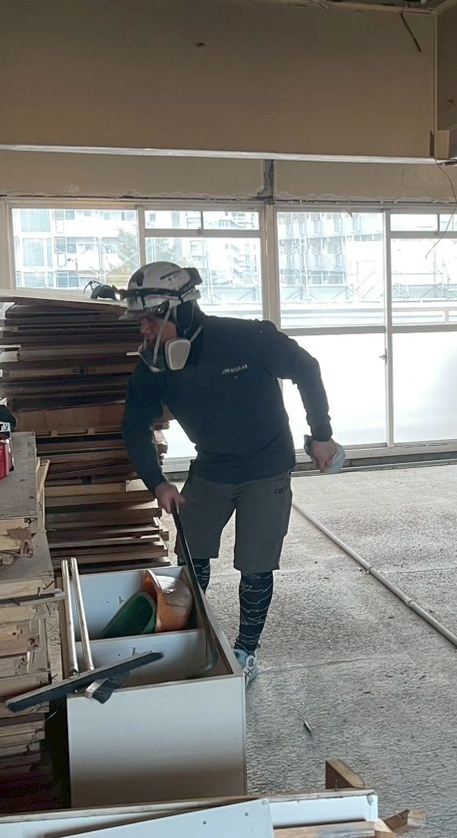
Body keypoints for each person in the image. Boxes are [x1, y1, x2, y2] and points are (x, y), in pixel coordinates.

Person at [119, 261, 340, 684]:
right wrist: (158, 482)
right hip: (211, 468)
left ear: (179, 311)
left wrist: (322, 434)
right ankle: (186, 634)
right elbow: (134, 425)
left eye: (149, 319)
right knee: (191, 558)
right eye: (140, 321)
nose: (143, 329)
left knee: (255, 566)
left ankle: (246, 651)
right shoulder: (154, 366)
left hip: (266, 469)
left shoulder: (246, 338)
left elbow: (306, 369)